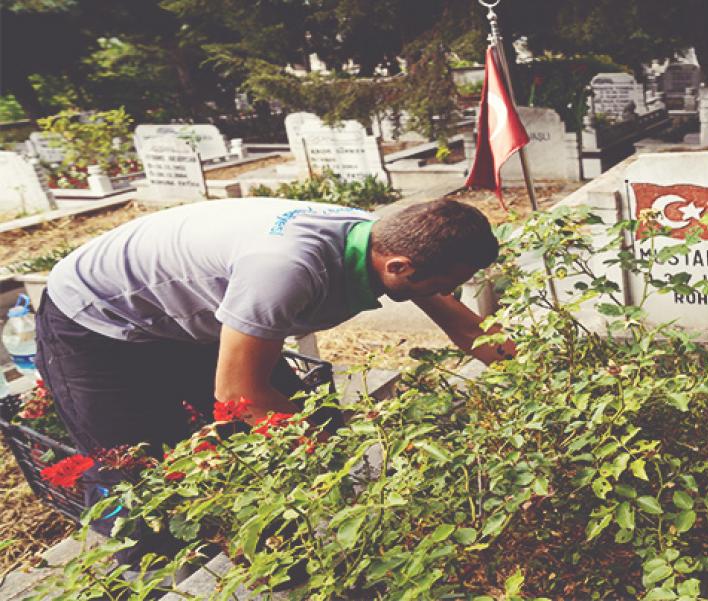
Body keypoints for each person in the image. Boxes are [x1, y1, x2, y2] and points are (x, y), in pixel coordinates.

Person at [35, 197, 513, 561]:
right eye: (446, 282)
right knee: (135, 465)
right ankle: (153, 564)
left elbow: (469, 327)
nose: (448, 292)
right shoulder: (285, 269)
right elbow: (240, 394)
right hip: (96, 320)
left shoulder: (387, 241)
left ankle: (281, 540)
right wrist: (347, 464)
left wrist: (534, 380)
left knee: (303, 426)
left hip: (195, 314)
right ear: (399, 268)